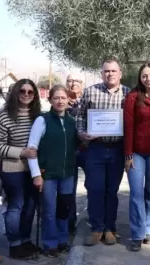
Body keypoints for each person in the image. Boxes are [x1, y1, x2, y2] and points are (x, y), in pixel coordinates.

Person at [77, 59, 129, 246]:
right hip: (95, 149)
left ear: (120, 73)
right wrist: (81, 132)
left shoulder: (127, 93)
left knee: (111, 191)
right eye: (106, 71)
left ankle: (110, 229)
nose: (110, 74)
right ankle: (96, 228)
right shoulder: (91, 91)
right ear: (102, 73)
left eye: (114, 71)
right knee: (95, 189)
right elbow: (80, 116)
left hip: (117, 149)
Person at [0, 79, 41, 259]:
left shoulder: (38, 116)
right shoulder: (4, 116)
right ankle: (15, 244)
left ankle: (26, 240)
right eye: (22, 91)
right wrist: (22, 152)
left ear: (34, 95)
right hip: (12, 169)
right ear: (15, 93)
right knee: (15, 206)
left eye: (30, 92)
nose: (26, 95)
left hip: (33, 170)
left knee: (30, 206)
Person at [27, 85, 78, 257]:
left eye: (63, 98)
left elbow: (74, 145)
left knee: (64, 208)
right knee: (49, 209)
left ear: (68, 100)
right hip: (47, 173)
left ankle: (62, 239)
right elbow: (32, 148)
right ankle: (50, 242)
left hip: (67, 174)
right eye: (56, 98)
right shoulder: (42, 120)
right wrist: (36, 175)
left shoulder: (71, 121)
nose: (60, 101)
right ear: (50, 100)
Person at [123, 63, 150, 252]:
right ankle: (137, 234)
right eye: (144, 76)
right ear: (140, 78)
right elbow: (128, 126)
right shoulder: (132, 97)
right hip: (136, 154)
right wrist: (128, 154)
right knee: (136, 194)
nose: (148, 79)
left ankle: (148, 230)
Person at [65, 72, 86, 234]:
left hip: (87, 150)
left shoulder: (88, 100)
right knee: (68, 189)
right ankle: (69, 222)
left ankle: (92, 220)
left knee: (93, 186)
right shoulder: (60, 101)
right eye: (70, 81)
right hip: (68, 152)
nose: (73, 84)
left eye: (77, 81)